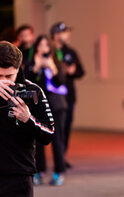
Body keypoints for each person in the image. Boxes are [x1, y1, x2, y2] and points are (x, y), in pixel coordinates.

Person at [0, 41, 54, 197]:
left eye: (9, 76)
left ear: (18, 69)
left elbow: (49, 134)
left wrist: (28, 119)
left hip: (18, 180)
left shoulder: (33, 91)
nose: (5, 81)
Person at [25, 35, 67, 186]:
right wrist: (35, 68)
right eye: (40, 45)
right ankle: (39, 171)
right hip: (38, 106)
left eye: (46, 46)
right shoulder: (31, 63)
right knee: (38, 139)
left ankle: (59, 172)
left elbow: (61, 81)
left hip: (56, 106)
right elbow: (27, 82)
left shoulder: (56, 63)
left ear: (51, 48)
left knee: (57, 140)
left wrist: (53, 68)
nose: (43, 48)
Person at [51, 22, 85, 168]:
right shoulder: (49, 52)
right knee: (56, 128)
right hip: (53, 96)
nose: (68, 35)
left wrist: (72, 72)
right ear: (56, 35)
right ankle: (57, 159)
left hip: (69, 96)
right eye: (64, 32)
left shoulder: (71, 52)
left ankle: (61, 156)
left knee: (66, 127)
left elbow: (81, 71)